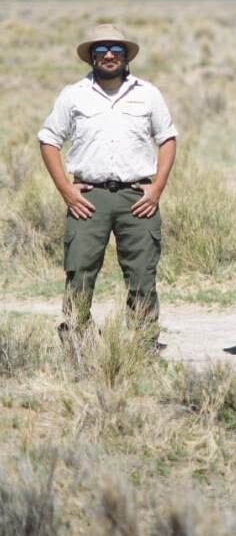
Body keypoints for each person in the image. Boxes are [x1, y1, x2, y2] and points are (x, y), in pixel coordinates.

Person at [38, 24, 177, 348]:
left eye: (116, 49)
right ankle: (77, 340)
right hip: (88, 198)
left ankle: (142, 344)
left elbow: (167, 138)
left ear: (127, 55)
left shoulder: (148, 93)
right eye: (101, 50)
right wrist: (66, 191)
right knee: (79, 272)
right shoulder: (73, 95)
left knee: (142, 275)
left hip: (137, 196)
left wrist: (156, 188)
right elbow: (48, 139)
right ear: (91, 57)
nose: (110, 55)